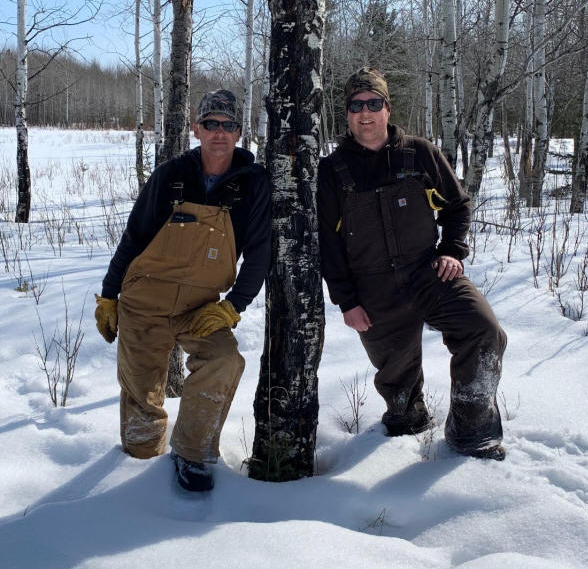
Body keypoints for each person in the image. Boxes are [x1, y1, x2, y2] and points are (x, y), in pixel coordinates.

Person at [317, 67, 507, 460]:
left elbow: (458, 205)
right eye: (356, 106)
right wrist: (346, 301)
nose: (364, 113)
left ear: (387, 108)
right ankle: (408, 429)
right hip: (373, 291)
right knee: (400, 400)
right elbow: (329, 245)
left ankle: (472, 431)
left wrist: (452, 250)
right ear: (347, 113)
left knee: (484, 331)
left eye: (373, 103)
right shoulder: (333, 171)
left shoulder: (418, 153)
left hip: (428, 273)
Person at [94, 89, 271, 490]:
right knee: (141, 396)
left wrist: (233, 306)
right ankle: (138, 467)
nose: (219, 133)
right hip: (145, 299)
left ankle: (192, 453)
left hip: (200, 307)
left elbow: (260, 252)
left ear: (240, 133)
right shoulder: (171, 175)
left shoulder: (253, 183)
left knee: (224, 360)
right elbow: (134, 237)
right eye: (211, 125)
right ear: (197, 128)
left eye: (228, 126)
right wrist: (109, 295)